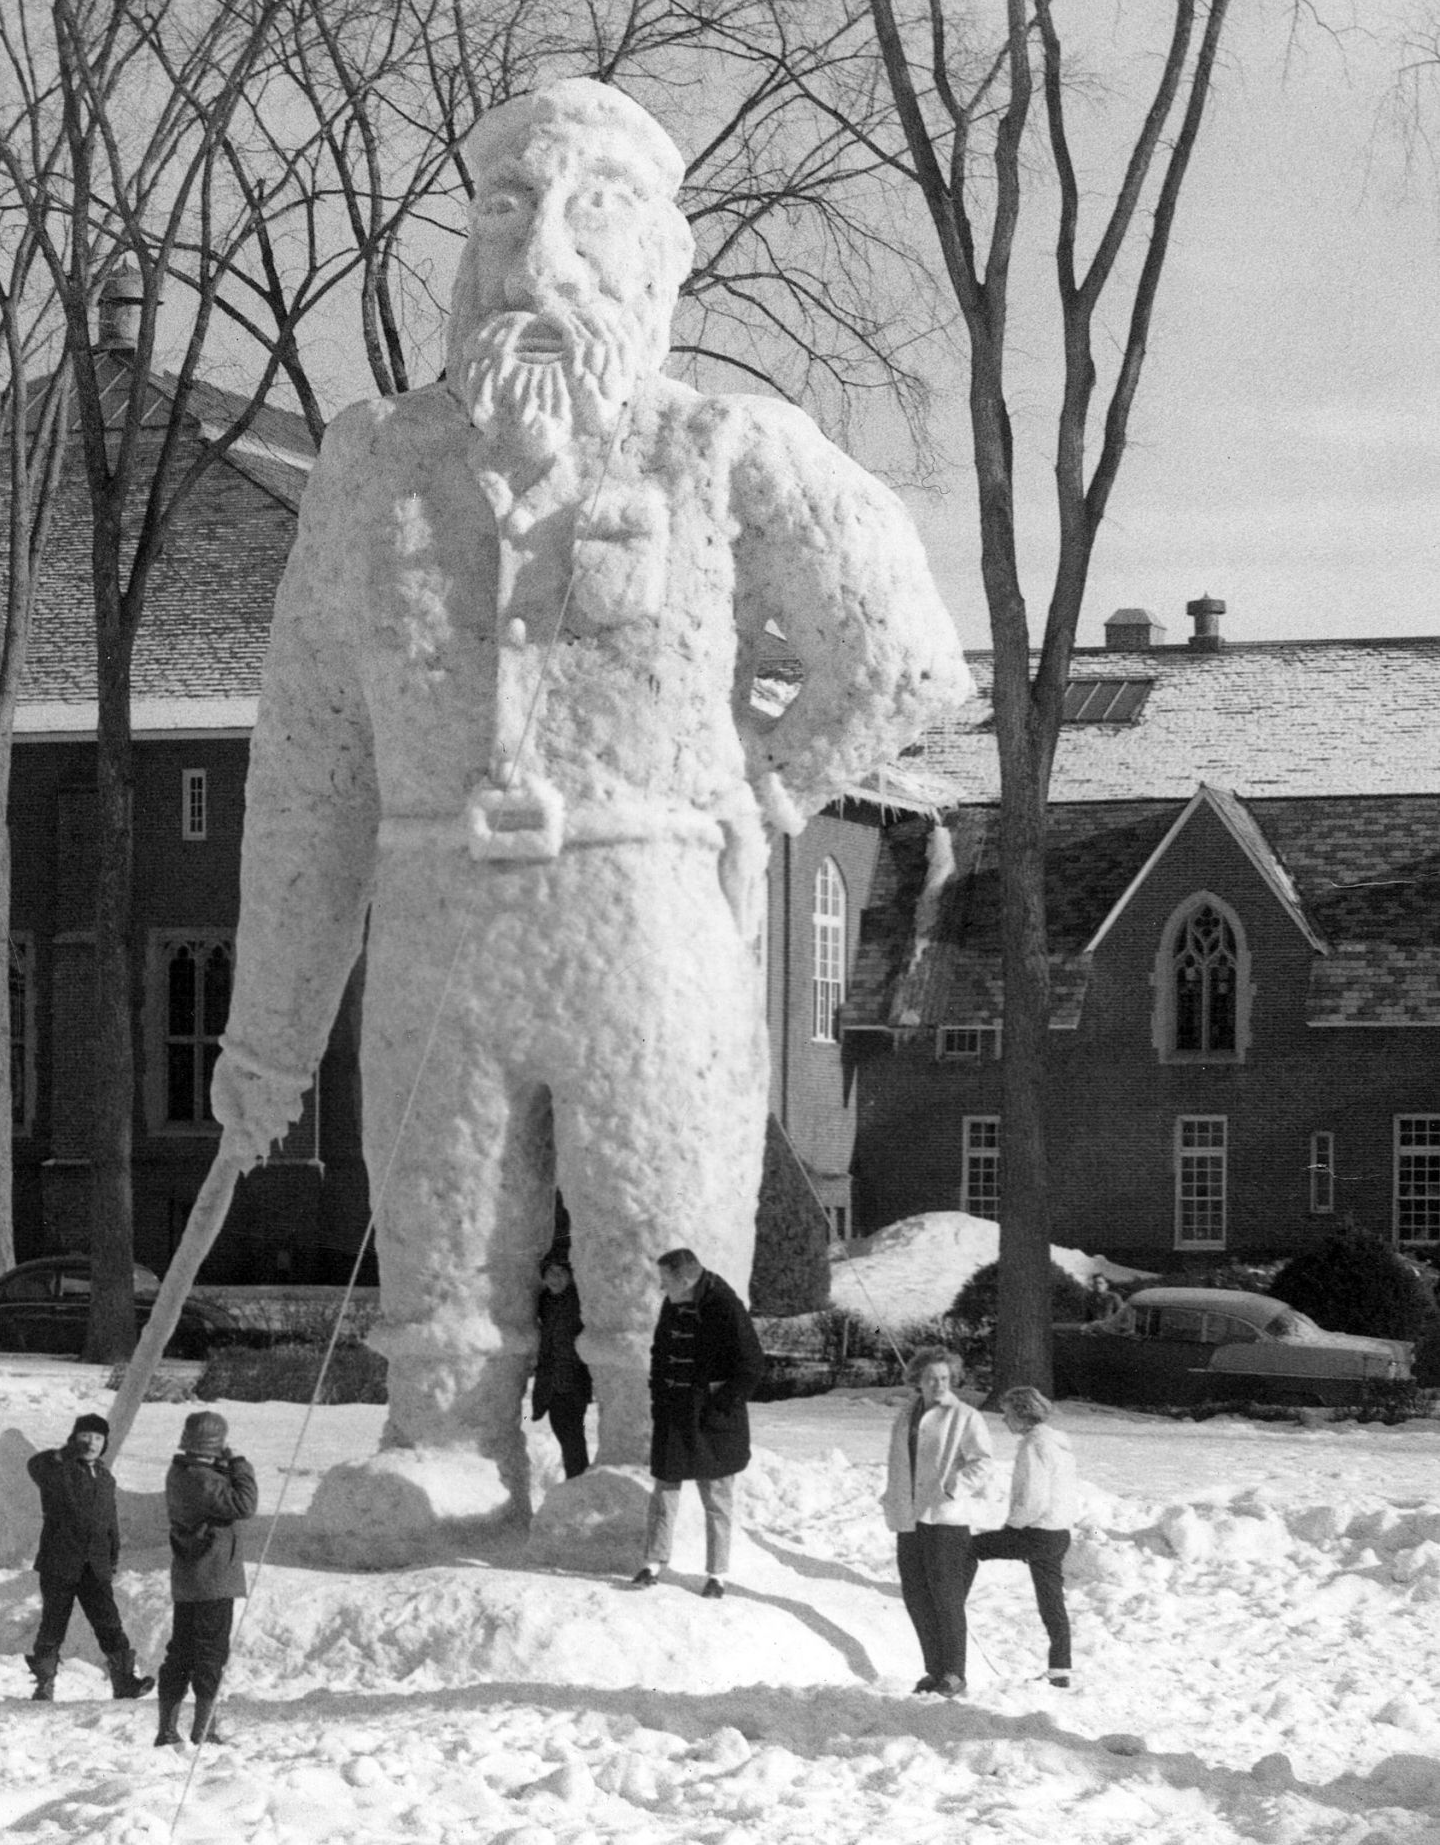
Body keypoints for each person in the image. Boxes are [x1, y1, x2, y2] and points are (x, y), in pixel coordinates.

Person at [205, 76, 970, 1533]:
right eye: (507, 205)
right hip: (439, 922)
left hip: (646, 920)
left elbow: (901, 651)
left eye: (592, 205)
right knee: (441, 1234)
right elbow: (313, 767)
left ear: (658, 253)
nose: (541, 245)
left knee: (655, 1225)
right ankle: (444, 1436)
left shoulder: (721, 447)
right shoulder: (374, 468)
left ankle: (646, 1449)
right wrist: (271, 1031)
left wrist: (768, 784)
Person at [629, 1248, 763, 1598]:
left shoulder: (724, 1305)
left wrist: (722, 1405)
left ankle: (717, 1574)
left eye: (665, 1281)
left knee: (717, 1496)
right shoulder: (675, 1302)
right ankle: (653, 1563)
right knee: (665, 1489)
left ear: (685, 1278)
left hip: (713, 1419)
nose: (661, 1288)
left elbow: (751, 1364)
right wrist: (659, 1396)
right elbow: (660, 1352)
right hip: (675, 1412)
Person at [881, 1347, 995, 1698]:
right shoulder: (907, 1414)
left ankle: (955, 1673)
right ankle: (933, 1670)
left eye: (945, 1378)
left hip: (945, 1519)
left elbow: (983, 1463)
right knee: (917, 1597)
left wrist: (952, 1487)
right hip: (909, 1518)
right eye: (931, 1378)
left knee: (946, 1598)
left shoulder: (965, 1416)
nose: (938, 1384)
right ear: (917, 1380)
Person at [25, 1413, 153, 1703]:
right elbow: (37, 1466)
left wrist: (112, 1556)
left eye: (98, 1438)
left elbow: (110, 1522)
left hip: (95, 1564)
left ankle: (124, 1682)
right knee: (53, 1623)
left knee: (109, 1622)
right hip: (60, 1561)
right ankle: (44, 1684)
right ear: (74, 1439)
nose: (91, 1443)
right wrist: (67, 1454)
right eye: (85, 1436)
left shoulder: (106, 1477)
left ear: (105, 1442)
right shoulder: (58, 1470)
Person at [156, 1410, 259, 1748]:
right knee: (211, 1654)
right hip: (213, 1579)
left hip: (188, 1580)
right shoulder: (204, 1479)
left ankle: (167, 1729)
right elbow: (243, 1504)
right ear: (218, 1442)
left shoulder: (181, 1472)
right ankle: (204, 1729)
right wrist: (241, 1466)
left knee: (181, 1653)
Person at [970, 1386, 1077, 1688]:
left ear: (1022, 1414)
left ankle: (948, 1601)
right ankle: (1059, 1670)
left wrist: (1012, 1527)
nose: (1004, 1421)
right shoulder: (1058, 1444)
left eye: (1007, 1414)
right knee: (1052, 1603)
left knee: (970, 1547)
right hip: (1058, 1534)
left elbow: (1033, 1500)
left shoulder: (1034, 1445)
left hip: (1037, 1533)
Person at [532, 1255, 594, 1478]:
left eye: (561, 1273)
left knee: (572, 1437)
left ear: (570, 1276)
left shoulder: (577, 1301)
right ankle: (576, 1480)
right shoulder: (545, 1302)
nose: (555, 1279)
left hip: (573, 1380)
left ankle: (578, 1481)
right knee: (563, 1431)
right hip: (552, 1381)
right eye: (550, 1273)